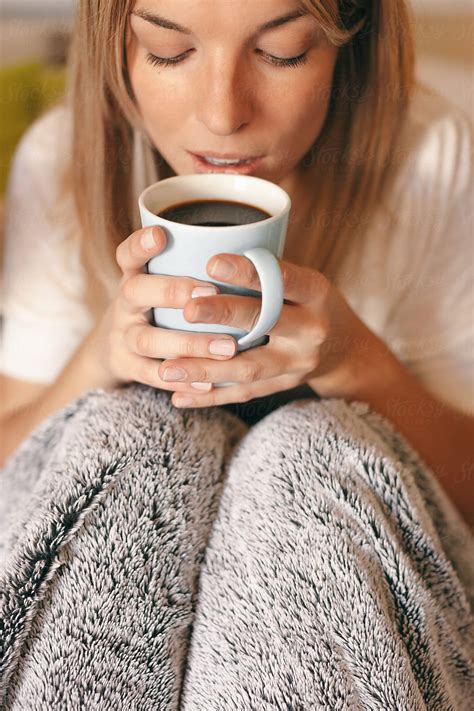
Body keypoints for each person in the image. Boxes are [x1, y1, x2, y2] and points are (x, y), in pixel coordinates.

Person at [0, 1, 473, 706]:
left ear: (351, 46)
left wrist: (351, 360)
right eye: (168, 52)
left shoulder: (430, 159)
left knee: (308, 451)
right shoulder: (62, 162)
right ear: (115, 49)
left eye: (281, 53)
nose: (223, 115)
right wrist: (97, 358)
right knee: (141, 432)